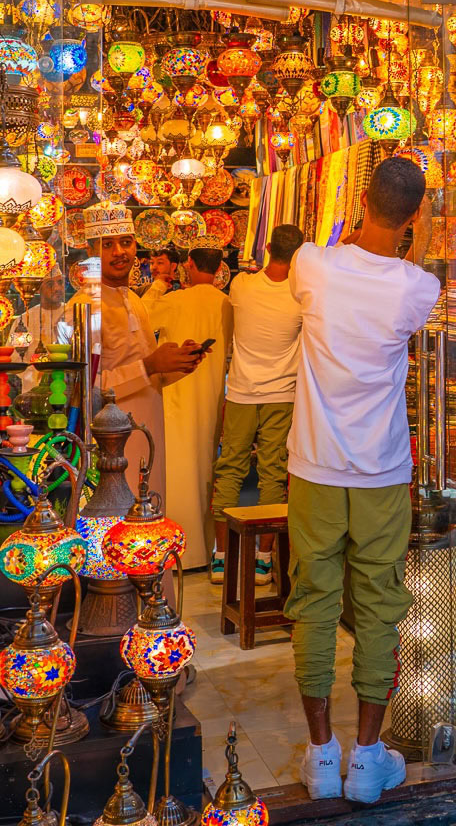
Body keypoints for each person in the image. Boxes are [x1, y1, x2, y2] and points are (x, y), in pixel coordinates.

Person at [286, 157, 440, 804]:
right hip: (380, 471)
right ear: (415, 215)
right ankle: (367, 757)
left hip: (315, 467)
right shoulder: (417, 287)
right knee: (380, 606)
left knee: (313, 601)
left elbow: (332, 257)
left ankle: (322, 754)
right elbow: (406, 278)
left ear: (359, 200)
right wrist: (416, 237)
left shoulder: (311, 266)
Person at [83, 205, 206, 504]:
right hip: (112, 446)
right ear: (90, 251)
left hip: (148, 434)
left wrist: (180, 364)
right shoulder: (87, 306)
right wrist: (150, 366)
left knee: (150, 518)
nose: (119, 252)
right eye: (107, 244)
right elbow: (88, 389)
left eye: (126, 242)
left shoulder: (135, 302)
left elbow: (150, 378)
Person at [209, 224, 305, 586]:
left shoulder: (241, 285)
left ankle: (221, 558)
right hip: (283, 395)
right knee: (273, 473)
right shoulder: (301, 296)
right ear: (299, 255)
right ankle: (264, 559)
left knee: (229, 470)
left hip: (242, 392)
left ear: (266, 247)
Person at [152, 247, 233, 572]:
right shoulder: (226, 303)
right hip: (212, 396)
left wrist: (159, 284)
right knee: (205, 472)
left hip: (177, 396)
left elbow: (143, 314)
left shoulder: (175, 300)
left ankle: (180, 553)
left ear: (189, 265)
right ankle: (206, 549)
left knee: (179, 473)